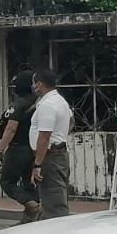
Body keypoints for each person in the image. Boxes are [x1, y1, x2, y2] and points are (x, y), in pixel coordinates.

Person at [0, 70, 42, 223]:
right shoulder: (38, 103)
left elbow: (11, 128)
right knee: (28, 183)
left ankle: (32, 206)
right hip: (32, 149)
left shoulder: (19, 105)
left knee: (7, 182)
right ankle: (29, 219)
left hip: (17, 149)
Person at [29, 66, 73, 219]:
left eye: (35, 83)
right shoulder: (60, 101)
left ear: (40, 84)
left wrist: (38, 164)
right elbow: (71, 121)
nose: (34, 87)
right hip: (57, 153)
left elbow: (44, 136)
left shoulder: (48, 105)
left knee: (54, 204)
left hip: (50, 157)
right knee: (54, 198)